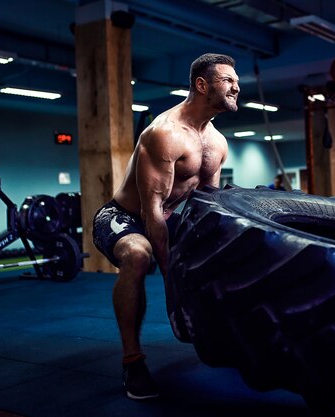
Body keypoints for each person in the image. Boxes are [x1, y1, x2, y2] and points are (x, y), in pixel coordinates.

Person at [92, 53, 239, 400]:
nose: (236, 87)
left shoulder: (216, 143)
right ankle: (133, 361)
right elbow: (151, 212)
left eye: (237, 82)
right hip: (122, 218)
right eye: (227, 81)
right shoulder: (165, 134)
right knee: (139, 256)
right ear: (202, 85)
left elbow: (206, 207)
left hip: (166, 219)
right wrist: (173, 277)